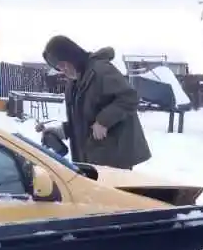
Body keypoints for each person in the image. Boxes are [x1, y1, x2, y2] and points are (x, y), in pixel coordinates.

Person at [41, 35, 151, 169]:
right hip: (91, 159)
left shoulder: (100, 71)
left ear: (71, 56)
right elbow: (84, 119)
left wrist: (104, 120)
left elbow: (129, 97)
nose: (63, 70)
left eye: (63, 64)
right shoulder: (74, 82)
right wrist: (63, 130)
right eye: (59, 68)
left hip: (113, 159)